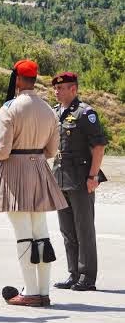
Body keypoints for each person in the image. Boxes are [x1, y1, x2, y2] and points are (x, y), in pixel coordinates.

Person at [0, 59, 67, 307]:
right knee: (41, 234)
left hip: (16, 172)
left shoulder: (9, 108)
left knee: (23, 235)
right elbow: (52, 150)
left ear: (18, 80)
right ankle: (43, 291)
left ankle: (30, 292)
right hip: (40, 169)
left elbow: (3, 150)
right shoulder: (48, 110)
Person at [51, 72, 107, 292]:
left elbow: (99, 147)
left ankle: (87, 276)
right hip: (60, 177)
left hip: (81, 177)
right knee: (67, 229)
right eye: (55, 88)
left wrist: (93, 176)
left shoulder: (85, 113)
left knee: (84, 228)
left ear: (73, 89)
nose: (56, 91)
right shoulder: (55, 113)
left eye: (61, 88)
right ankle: (73, 273)